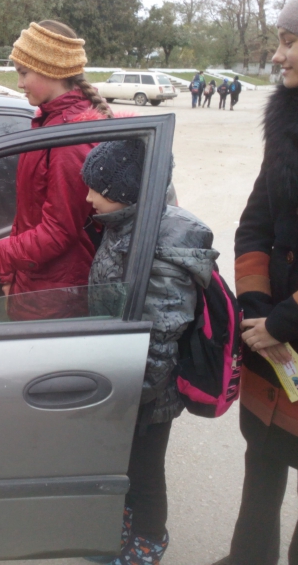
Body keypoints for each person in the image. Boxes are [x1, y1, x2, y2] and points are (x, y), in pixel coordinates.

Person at [217, 0, 298, 565]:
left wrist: (287, 321)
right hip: (271, 341)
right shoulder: (288, 115)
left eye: (290, 40)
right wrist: (257, 308)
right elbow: (255, 221)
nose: (276, 54)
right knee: (259, 467)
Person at [83, 139, 217, 565]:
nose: (88, 197)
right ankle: (125, 520)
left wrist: (129, 397)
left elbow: (161, 335)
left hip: (147, 391)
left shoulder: (159, 245)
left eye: (96, 189)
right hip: (124, 377)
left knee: (144, 471)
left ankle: (149, 537)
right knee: (124, 466)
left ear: (125, 192)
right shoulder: (127, 226)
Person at [0, 20, 114, 321]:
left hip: (56, 294)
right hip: (38, 280)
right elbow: (31, 215)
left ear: (52, 70)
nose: (20, 83)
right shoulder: (49, 122)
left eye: (24, 73)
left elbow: (58, 232)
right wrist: (12, 273)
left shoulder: (70, 138)